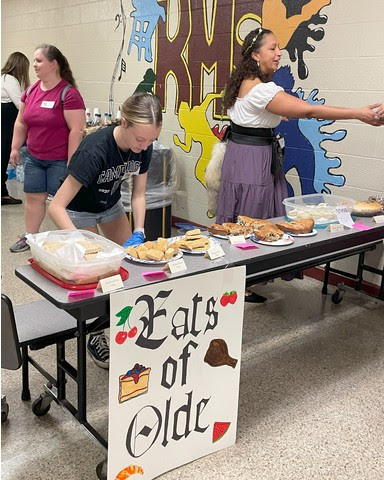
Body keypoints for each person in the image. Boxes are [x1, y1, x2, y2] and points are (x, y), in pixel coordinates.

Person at [215, 27, 384, 303]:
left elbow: (248, 118)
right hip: (252, 159)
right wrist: (358, 113)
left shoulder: (244, 84)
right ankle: (241, 281)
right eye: (272, 48)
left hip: (244, 155)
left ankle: (237, 277)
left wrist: (272, 118)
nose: (278, 53)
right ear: (255, 55)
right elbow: (308, 110)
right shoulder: (261, 90)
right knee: (250, 213)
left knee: (245, 210)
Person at [49, 92, 163, 368]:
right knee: (94, 274)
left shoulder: (143, 146)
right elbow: (57, 207)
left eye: (151, 140)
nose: (144, 146)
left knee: (133, 264)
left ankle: (133, 325)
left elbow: (137, 194)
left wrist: (138, 229)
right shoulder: (94, 150)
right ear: (123, 123)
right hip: (78, 209)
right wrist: (80, 243)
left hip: (110, 206)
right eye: (140, 139)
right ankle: (95, 333)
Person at [9, 44, 85, 252]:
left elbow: (76, 131)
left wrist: (72, 161)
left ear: (53, 64)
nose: (34, 65)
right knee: (34, 198)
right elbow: (21, 123)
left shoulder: (68, 94)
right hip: (34, 157)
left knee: (61, 204)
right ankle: (30, 237)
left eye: (39, 61)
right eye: (34, 61)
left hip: (59, 160)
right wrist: (15, 148)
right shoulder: (30, 91)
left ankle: (70, 243)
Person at [1, 52, 30, 205]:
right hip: (5, 122)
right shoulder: (10, 79)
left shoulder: (3, 77)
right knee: (3, 155)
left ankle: (3, 191)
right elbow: (21, 105)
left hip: (4, 121)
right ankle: (2, 193)